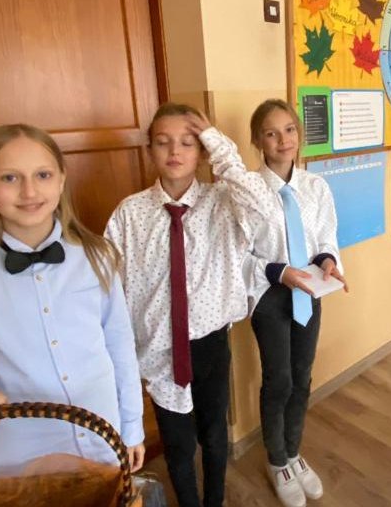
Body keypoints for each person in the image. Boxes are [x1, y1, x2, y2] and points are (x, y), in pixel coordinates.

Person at [0, 123, 145, 478]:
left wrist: (132, 428)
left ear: (62, 179)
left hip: (103, 434)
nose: (29, 191)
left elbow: (120, 345)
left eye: (43, 175)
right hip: (21, 451)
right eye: (9, 178)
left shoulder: (99, 257)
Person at [105, 103, 272, 507]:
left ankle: (214, 501)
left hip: (209, 343)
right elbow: (108, 284)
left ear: (202, 151)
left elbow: (264, 208)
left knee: (214, 435)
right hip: (158, 349)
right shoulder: (130, 213)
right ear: (149, 150)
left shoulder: (224, 202)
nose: (174, 151)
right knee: (177, 445)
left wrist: (218, 144)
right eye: (163, 142)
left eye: (187, 142)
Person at [245, 99, 348, 507]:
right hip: (269, 295)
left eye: (289, 129)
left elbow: (325, 236)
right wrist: (278, 271)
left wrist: (328, 261)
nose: (283, 140)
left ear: (298, 134)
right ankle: (277, 461)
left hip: (308, 291)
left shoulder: (315, 187)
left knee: (303, 377)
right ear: (258, 141)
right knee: (280, 380)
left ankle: (293, 451)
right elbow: (238, 253)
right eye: (271, 133)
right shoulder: (249, 191)